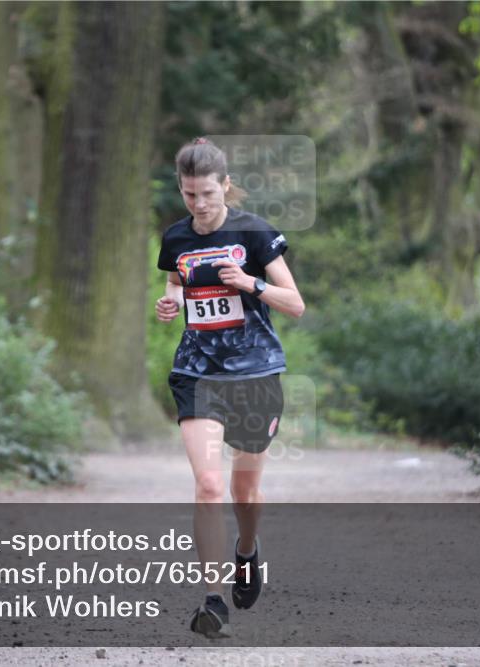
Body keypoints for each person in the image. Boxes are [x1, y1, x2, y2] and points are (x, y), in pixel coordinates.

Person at [155, 137, 306, 638]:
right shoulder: (175, 238)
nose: (199, 205)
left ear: (226, 185)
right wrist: (170, 301)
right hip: (197, 370)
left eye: (208, 194)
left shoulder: (256, 233)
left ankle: (247, 550)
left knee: (244, 489)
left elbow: (295, 304)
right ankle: (213, 599)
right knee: (209, 485)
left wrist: (250, 284)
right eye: (190, 195)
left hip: (254, 373)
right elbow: (177, 280)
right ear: (181, 189)